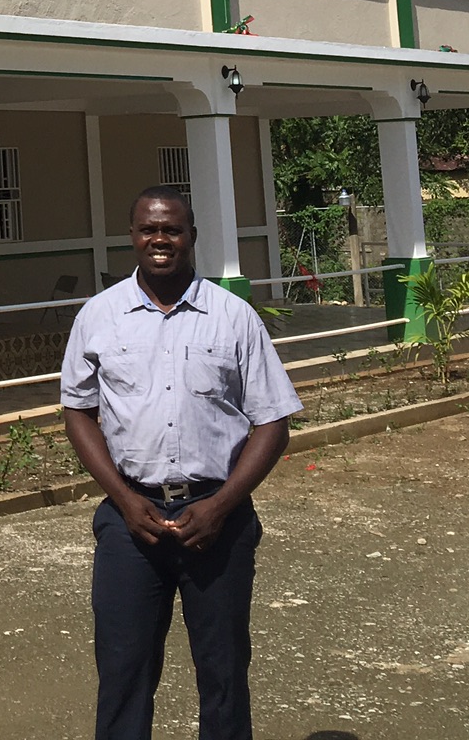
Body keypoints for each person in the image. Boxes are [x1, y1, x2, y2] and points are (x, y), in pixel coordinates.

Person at [60, 185, 301, 740]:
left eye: (172, 229)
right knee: (122, 671)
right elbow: (78, 411)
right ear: (133, 236)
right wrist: (124, 501)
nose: (160, 239)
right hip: (130, 521)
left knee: (222, 672)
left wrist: (219, 507)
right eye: (149, 229)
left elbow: (273, 421)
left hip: (218, 521)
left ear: (191, 236)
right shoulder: (100, 316)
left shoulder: (233, 317)